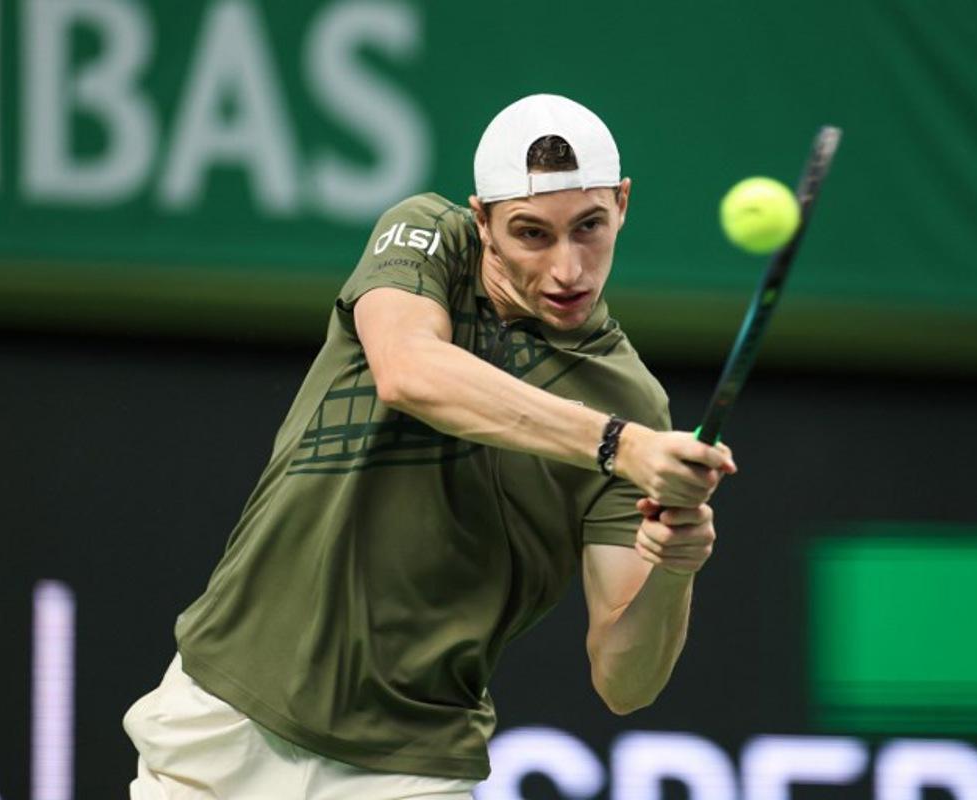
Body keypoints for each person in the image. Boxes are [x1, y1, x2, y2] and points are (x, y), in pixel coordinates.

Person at [122, 93, 736, 800]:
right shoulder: (426, 236)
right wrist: (615, 445)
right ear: (483, 220)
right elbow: (409, 372)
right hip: (228, 710)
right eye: (533, 234)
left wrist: (675, 567)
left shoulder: (632, 403)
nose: (568, 268)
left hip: (410, 766)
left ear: (623, 203)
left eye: (589, 227)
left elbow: (624, 683)